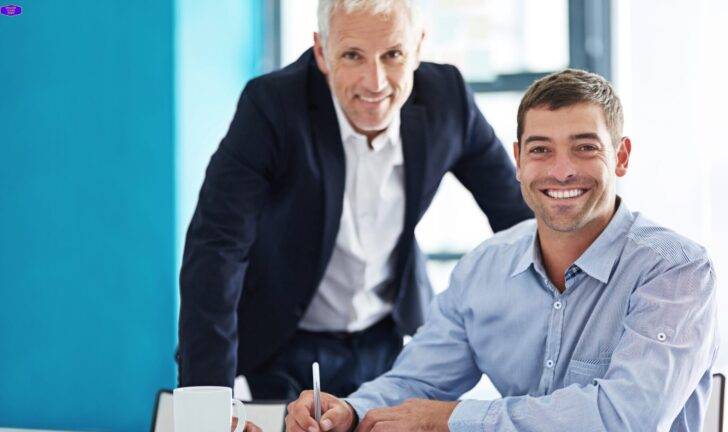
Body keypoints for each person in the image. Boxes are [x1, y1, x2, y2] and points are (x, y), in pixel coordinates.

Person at [284, 69, 719, 432]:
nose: (561, 170)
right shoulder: (483, 269)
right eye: (540, 150)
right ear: (518, 160)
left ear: (621, 156)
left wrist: (455, 419)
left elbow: (628, 417)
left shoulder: (675, 270)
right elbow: (419, 381)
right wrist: (351, 409)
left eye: (585, 148)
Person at [177, 0, 532, 399]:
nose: (375, 81)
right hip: (279, 342)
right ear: (322, 53)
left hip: (386, 342)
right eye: (352, 55)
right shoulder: (272, 106)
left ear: (418, 46)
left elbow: (521, 222)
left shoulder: (447, 100)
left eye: (393, 54)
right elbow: (217, 248)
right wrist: (205, 400)